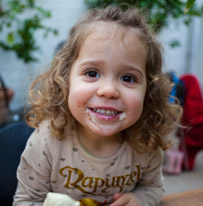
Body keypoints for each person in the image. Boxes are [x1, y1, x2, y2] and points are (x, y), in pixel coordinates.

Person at [13, 6, 181, 206]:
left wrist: (140, 199)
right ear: (65, 80)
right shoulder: (46, 141)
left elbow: (153, 188)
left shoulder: (146, 139)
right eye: (92, 73)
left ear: (149, 90)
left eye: (128, 77)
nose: (108, 90)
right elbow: (25, 201)